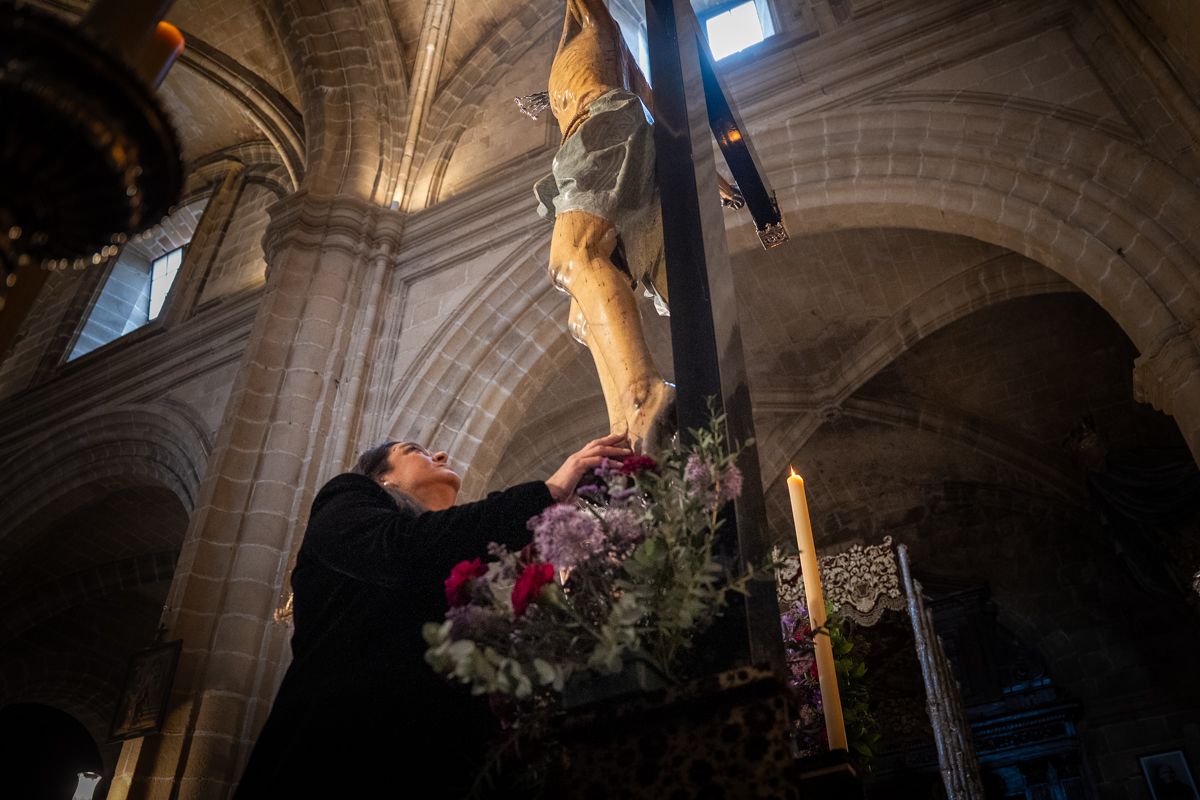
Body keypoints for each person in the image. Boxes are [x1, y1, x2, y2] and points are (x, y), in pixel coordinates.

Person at [234, 432, 632, 798]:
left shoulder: (453, 551)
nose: (440, 454)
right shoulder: (348, 499)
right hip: (343, 754)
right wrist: (546, 492)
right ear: (382, 480)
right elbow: (403, 552)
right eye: (415, 451)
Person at [534, 0, 741, 453]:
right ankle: (625, 429)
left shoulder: (596, 22)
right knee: (580, 317)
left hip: (603, 126)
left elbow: (649, 95)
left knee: (573, 257)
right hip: (596, 136)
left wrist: (709, 173)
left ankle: (644, 392)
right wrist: (710, 175)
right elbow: (653, 97)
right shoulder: (592, 43)